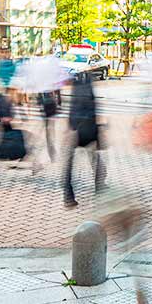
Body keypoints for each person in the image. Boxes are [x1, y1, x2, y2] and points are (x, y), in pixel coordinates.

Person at [63, 73, 105, 208]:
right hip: (87, 129)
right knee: (95, 159)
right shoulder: (88, 88)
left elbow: (72, 110)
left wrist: (71, 126)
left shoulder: (75, 89)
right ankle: (99, 188)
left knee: (69, 164)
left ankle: (68, 195)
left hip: (75, 129)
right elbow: (93, 109)